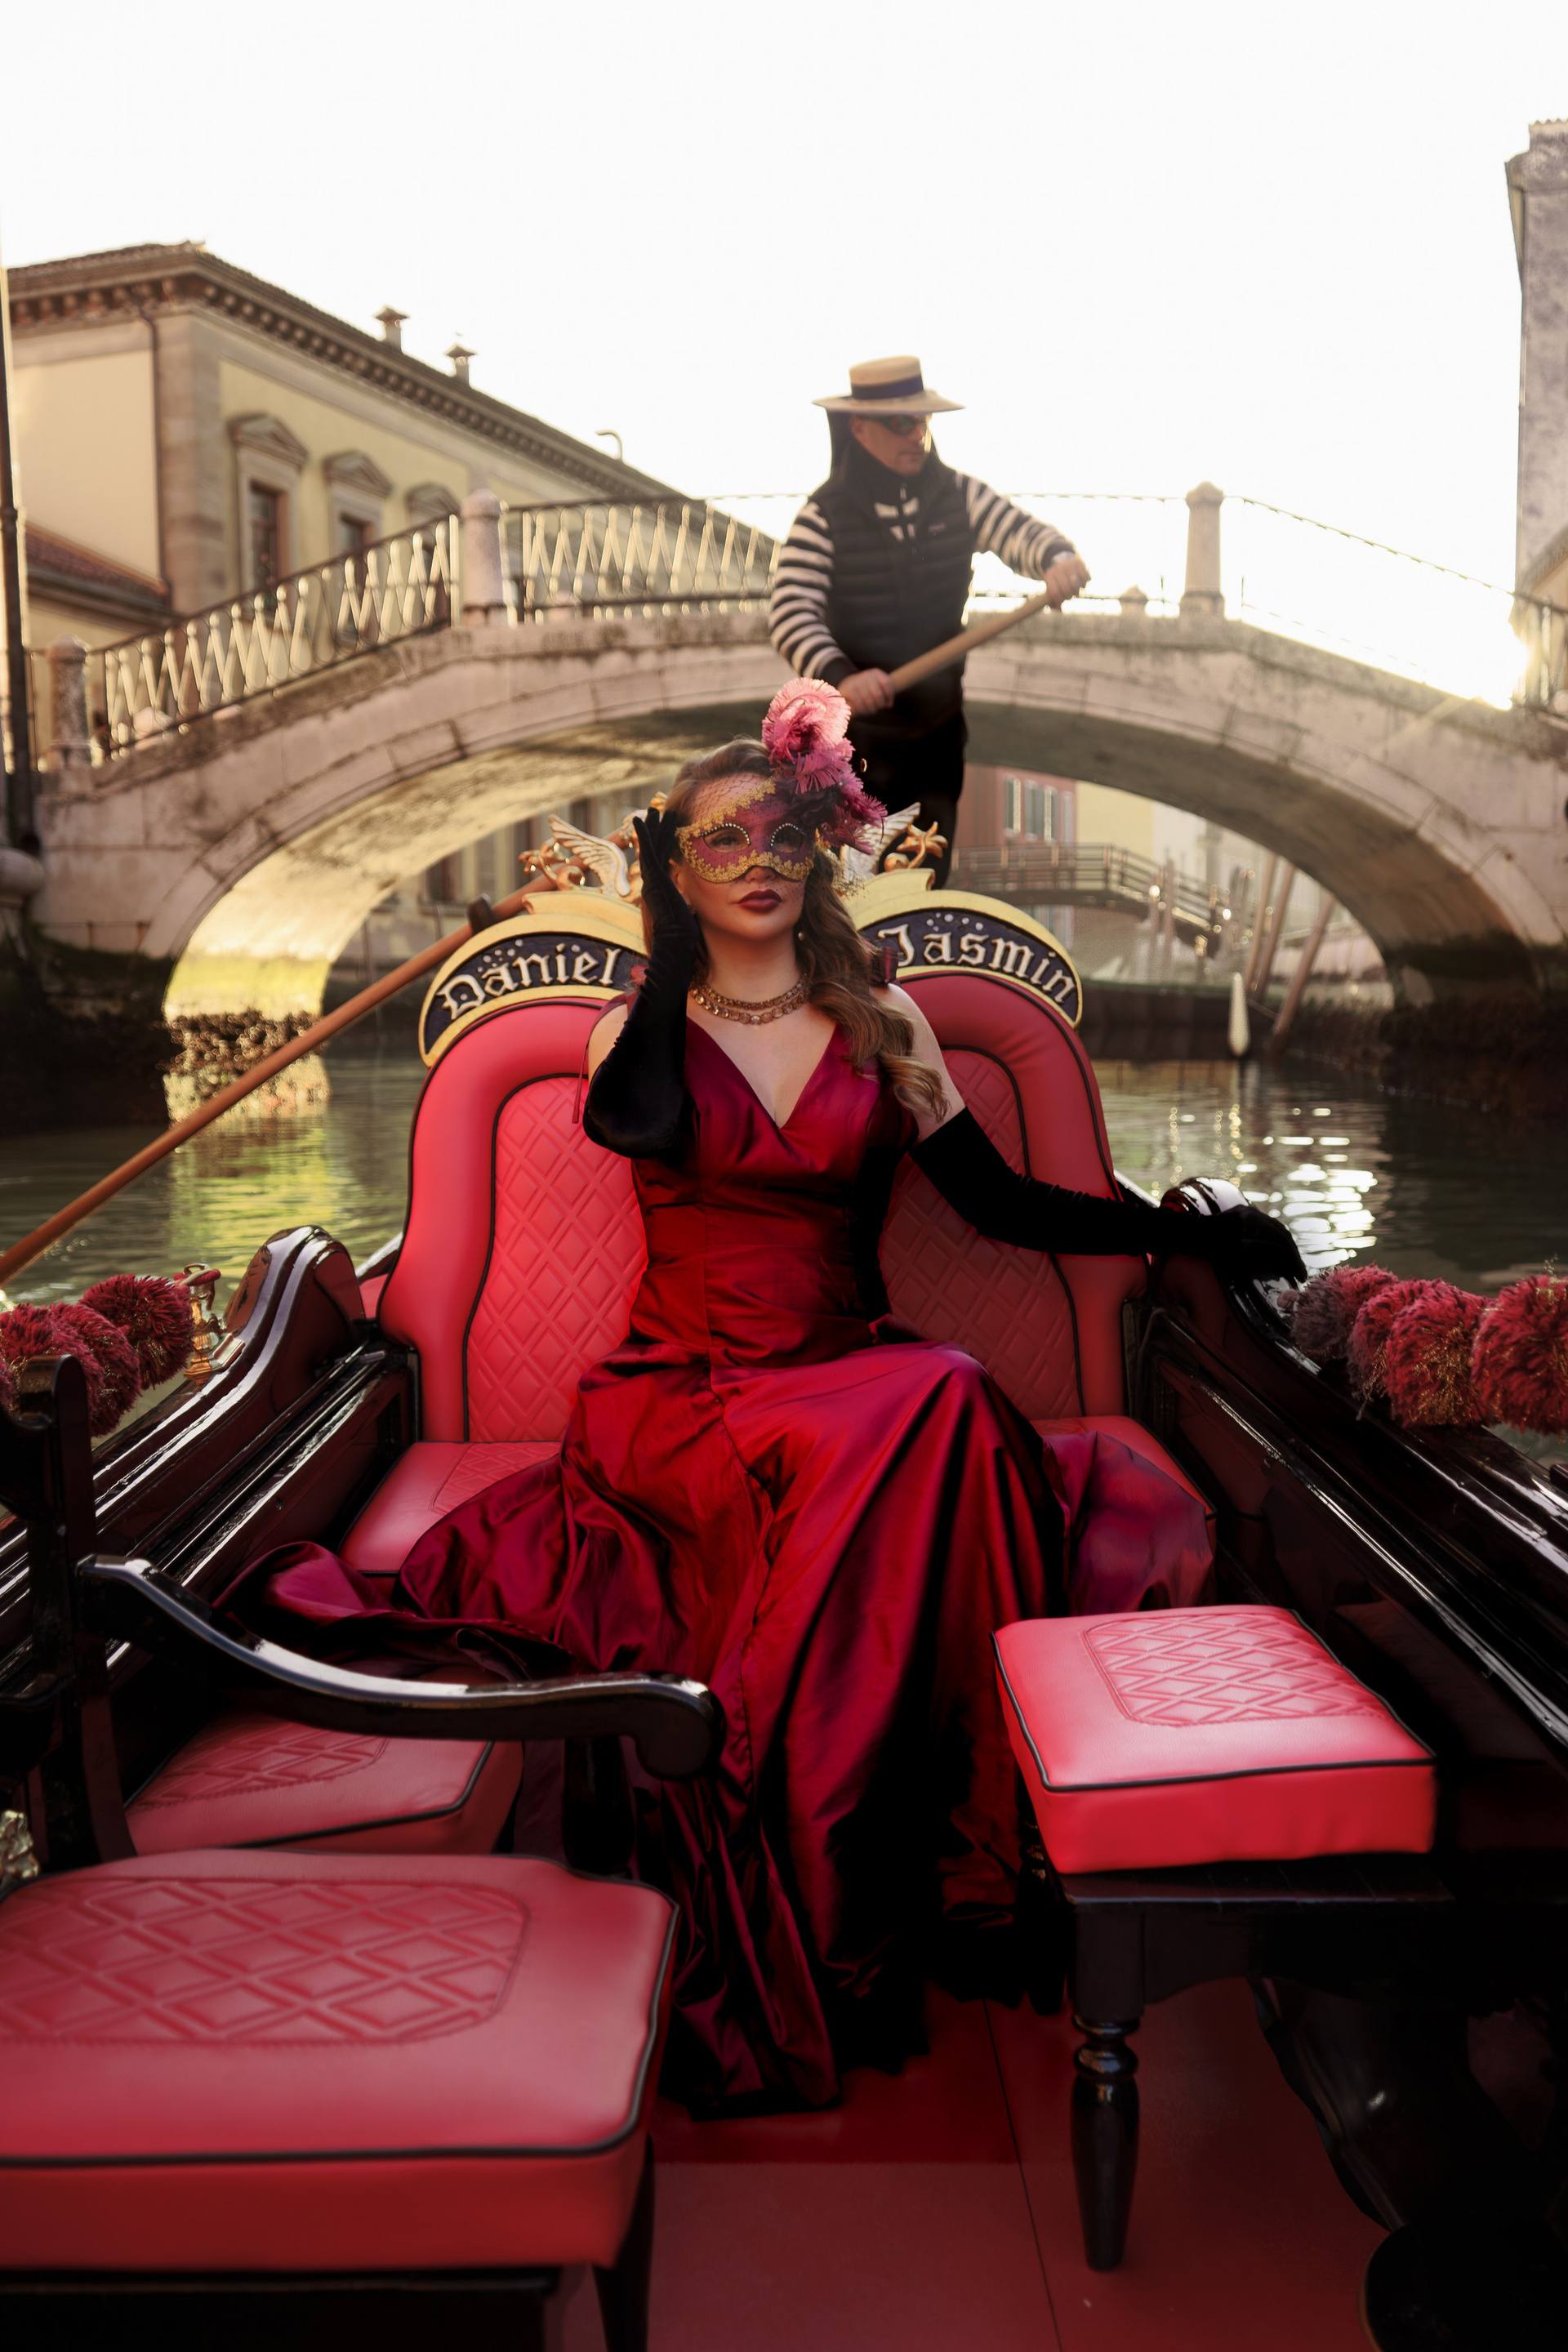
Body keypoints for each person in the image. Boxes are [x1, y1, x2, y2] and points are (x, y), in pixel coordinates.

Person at [236, 680, 1303, 2116]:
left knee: (940, 1398)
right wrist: (660, 954)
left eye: (783, 836)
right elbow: (633, 1123)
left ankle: (898, 1864)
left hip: (841, 1374)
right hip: (678, 1395)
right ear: (675, 870)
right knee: (935, 1406)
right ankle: (869, 1867)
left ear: (819, 853)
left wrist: (1187, 1239)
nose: (757, 861)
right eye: (721, 841)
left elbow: (1003, 1207)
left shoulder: (887, 1024)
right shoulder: (635, 1035)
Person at [769, 356, 1090, 886]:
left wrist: (1057, 559)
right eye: (901, 423)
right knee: (851, 885)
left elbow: (1019, 531)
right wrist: (843, 675)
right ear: (859, 428)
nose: (917, 435)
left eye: (921, 421)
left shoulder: (960, 496)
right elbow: (790, 610)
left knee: (924, 880)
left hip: (937, 739)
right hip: (855, 746)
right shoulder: (822, 515)